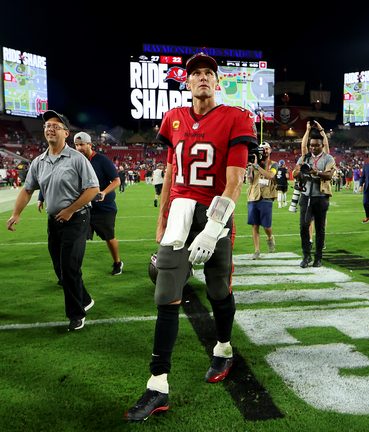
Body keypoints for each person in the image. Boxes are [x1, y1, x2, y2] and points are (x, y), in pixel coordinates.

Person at [125, 53, 258, 422]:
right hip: (180, 214)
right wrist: (161, 217)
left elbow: (235, 181)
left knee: (218, 290)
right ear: (187, 82)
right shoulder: (173, 117)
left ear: (217, 82)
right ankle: (157, 385)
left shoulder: (236, 117)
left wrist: (213, 230)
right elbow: (170, 170)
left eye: (208, 73)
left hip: (215, 212)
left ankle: (223, 348)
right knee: (166, 295)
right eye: (195, 73)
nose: (202, 78)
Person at [7, 110, 99, 331]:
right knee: (60, 268)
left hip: (76, 218)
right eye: (48, 125)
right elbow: (27, 190)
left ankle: (76, 314)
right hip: (54, 220)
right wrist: (16, 213)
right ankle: (85, 298)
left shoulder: (77, 159)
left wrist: (70, 210)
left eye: (56, 126)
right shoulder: (39, 161)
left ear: (66, 133)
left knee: (69, 266)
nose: (50, 129)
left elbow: (93, 189)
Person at [73, 132, 124, 275]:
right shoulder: (75, 161)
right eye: (76, 145)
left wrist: (104, 192)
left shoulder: (102, 160)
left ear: (90, 144)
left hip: (103, 207)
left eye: (82, 144)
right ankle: (73, 269)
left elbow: (116, 181)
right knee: (77, 239)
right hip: (83, 207)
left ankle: (117, 262)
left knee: (109, 237)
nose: (79, 148)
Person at [292, 133, 335, 268]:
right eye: (311, 145)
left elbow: (329, 175)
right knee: (303, 226)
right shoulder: (304, 158)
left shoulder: (328, 158)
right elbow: (294, 173)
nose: (313, 148)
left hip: (321, 197)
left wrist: (315, 172)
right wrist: (302, 171)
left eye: (317, 145)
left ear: (322, 146)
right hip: (306, 196)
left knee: (320, 228)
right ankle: (306, 255)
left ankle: (318, 257)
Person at [246, 142, 277, 260]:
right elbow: (249, 180)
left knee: (266, 226)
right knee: (255, 226)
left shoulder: (274, 164)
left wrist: (257, 167)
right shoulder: (253, 164)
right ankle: (257, 250)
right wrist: (250, 166)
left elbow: (270, 176)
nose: (265, 151)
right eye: (262, 149)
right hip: (253, 196)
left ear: (270, 150)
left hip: (267, 197)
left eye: (267, 149)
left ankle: (270, 237)